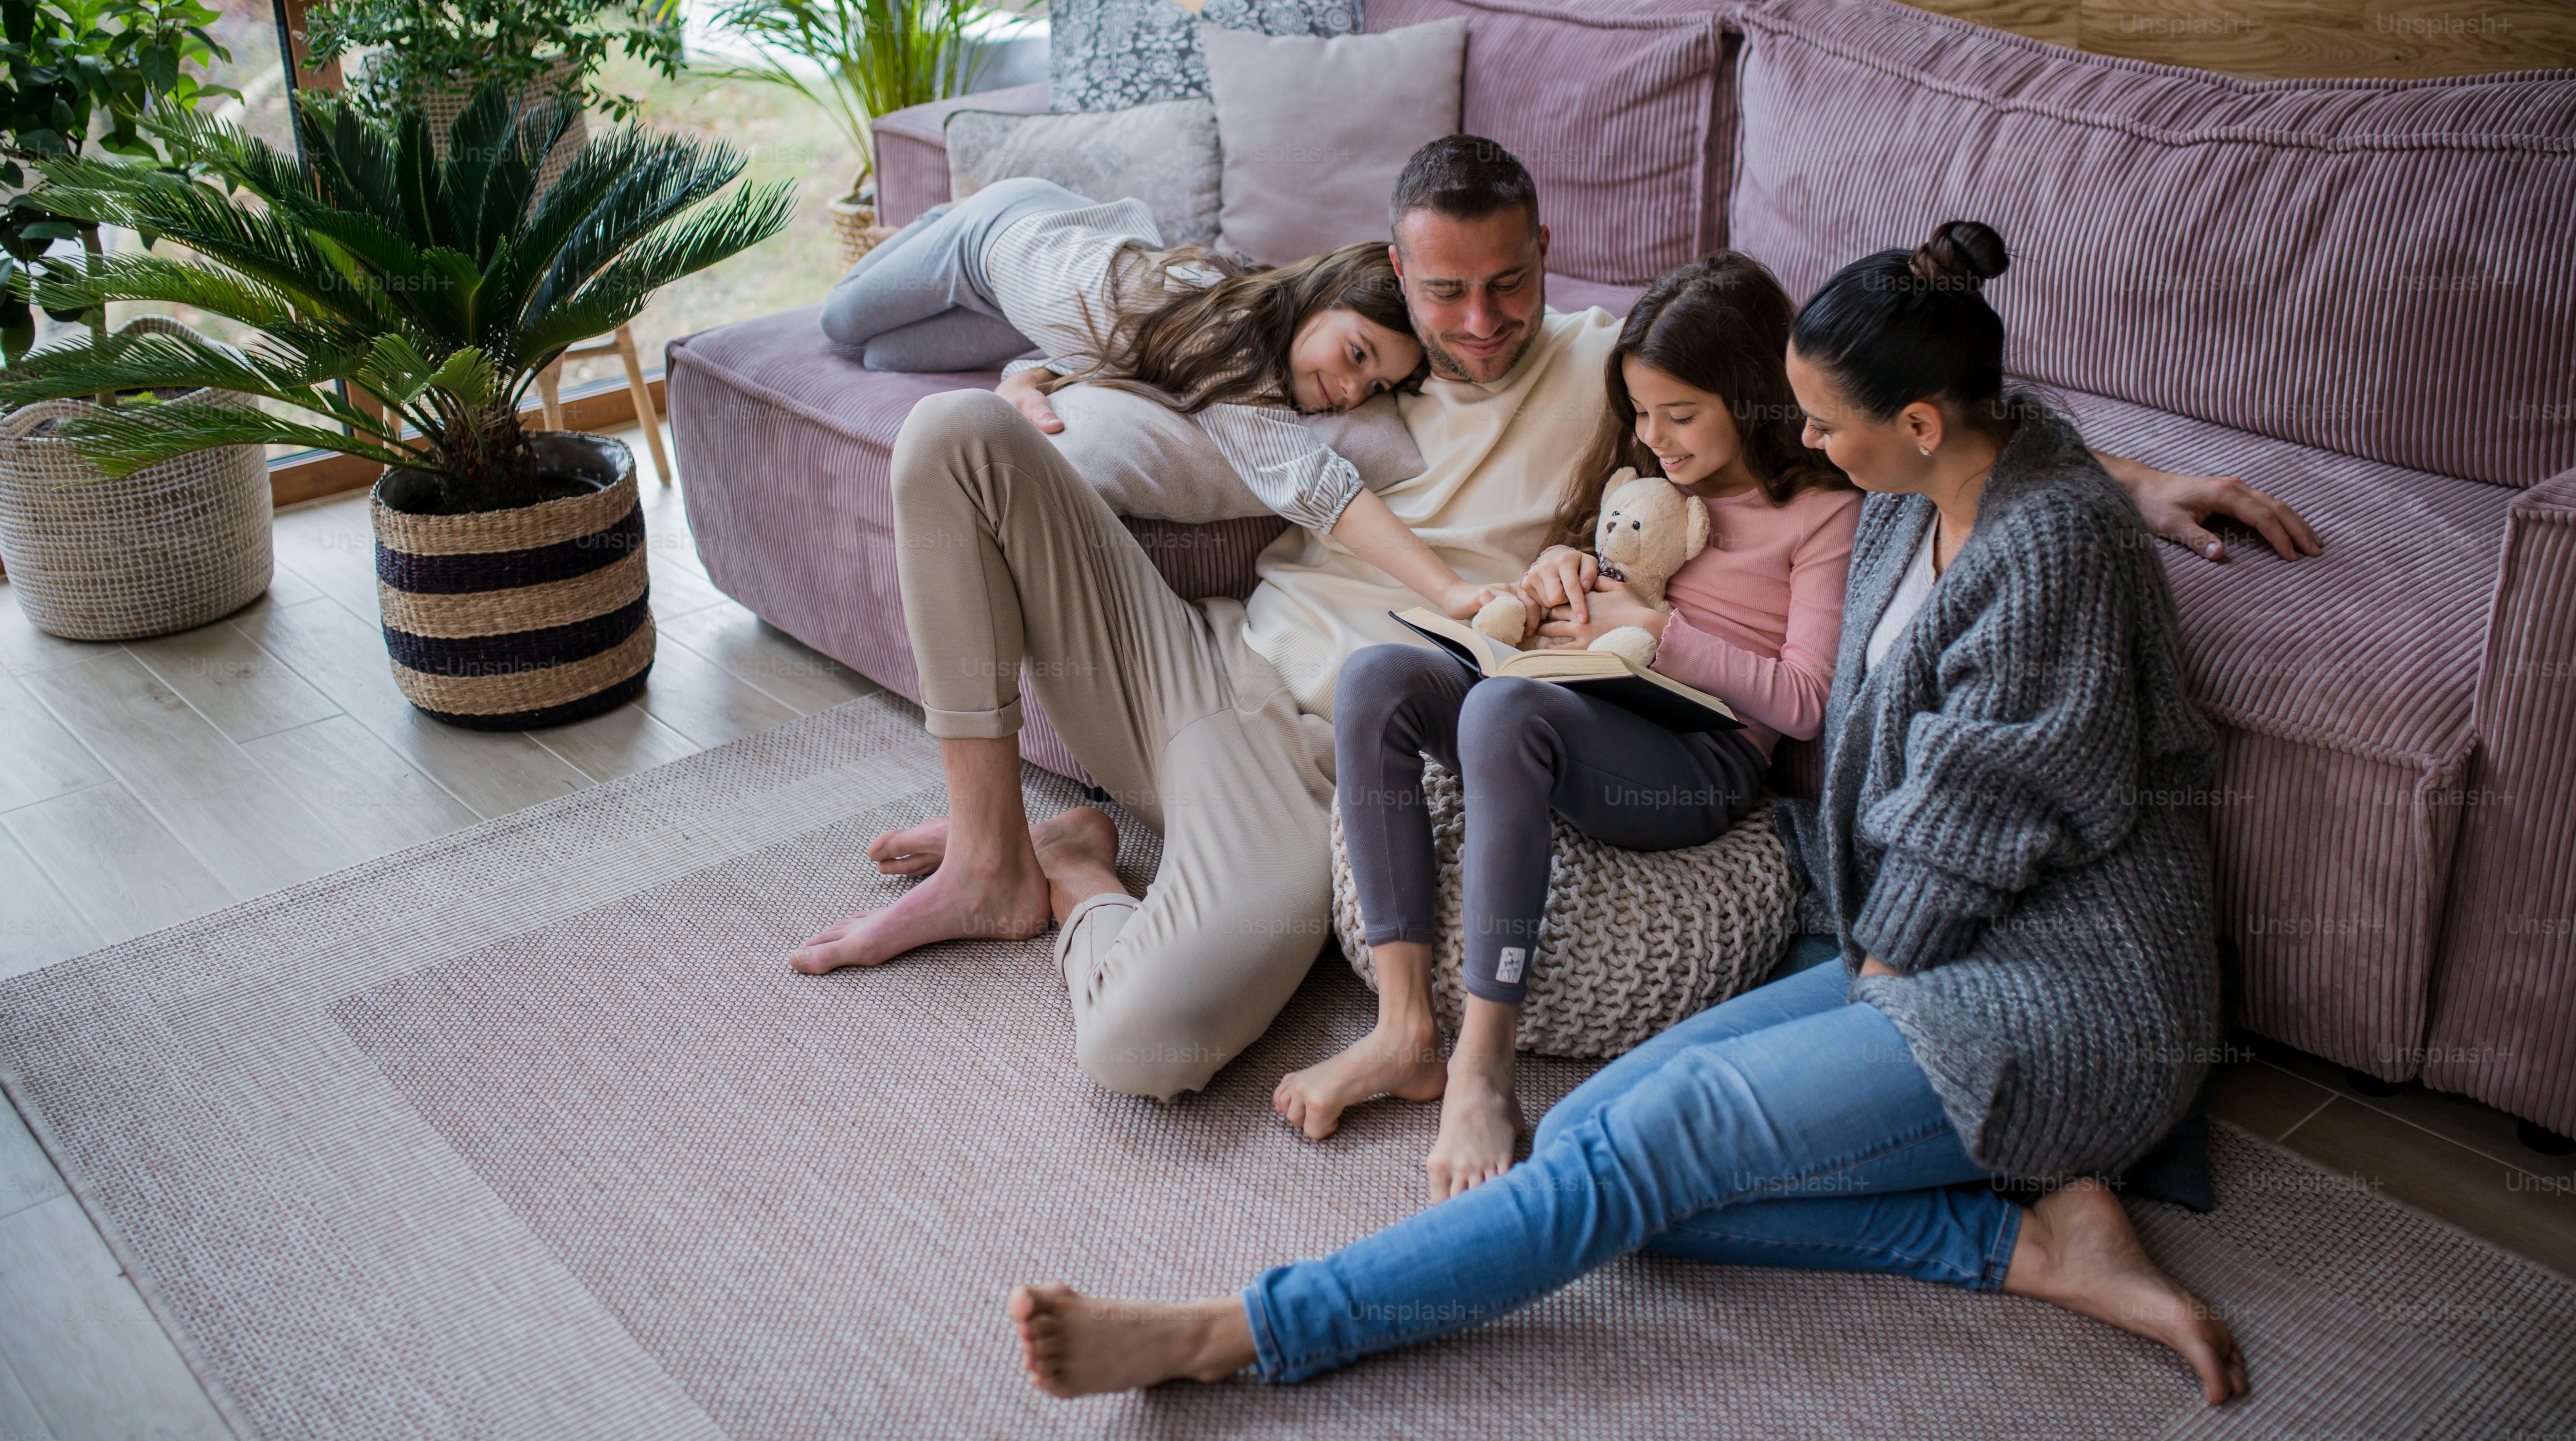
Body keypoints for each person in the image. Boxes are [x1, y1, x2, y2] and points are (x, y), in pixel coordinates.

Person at [790, 137, 2318, 1112]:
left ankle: (1075, 884)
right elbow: (1141, 400)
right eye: (1443, 292)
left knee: (1143, 1054)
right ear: (1396, 269)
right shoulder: (1334, 357)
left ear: (1547, 256)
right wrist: (1033, 388)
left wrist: (2127, 473)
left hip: (1320, 767)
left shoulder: (1605, 363)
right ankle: (993, 850)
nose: (1474, 325)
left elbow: (1858, 409)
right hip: (1194, 673)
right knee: (949, 443)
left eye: (1505, 286)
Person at [1001, 221, 2251, 1410]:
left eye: (1820, 422)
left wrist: (1866, 980)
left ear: (1916, 427)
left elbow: (1981, 817)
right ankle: (2027, 1241)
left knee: (1644, 1152)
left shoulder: (2042, 557)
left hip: (2055, 999)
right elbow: (2028, 432)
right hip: (1917, 943)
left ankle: (1243, 1332)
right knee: (1590, 1141)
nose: (1801, 439)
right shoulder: (1941, 472)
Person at [1274, 253, 1863, 1201]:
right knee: (1378, 676)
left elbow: (1803, 700)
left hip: (1699, 757)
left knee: (1507, 711)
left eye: (1681, 415)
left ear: (1751, 395)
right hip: (1584, 702)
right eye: (1641, 413)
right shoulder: (1648, 483)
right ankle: (1404, 1028)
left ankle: (1485, 1063)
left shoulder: (1819, 514)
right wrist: (1560, 575)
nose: (1655, 439)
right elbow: (1603, 569)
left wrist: (1660, 634)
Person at [820, 177, 1502, 621]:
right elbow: (1317, 486)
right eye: (1357, 355)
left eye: (1376, 388)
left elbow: (1126, 351)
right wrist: (1449, 591)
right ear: (1317, 297)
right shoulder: (1231, 338)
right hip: (998, 232)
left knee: (889, 356)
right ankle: (947, 208)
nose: (1354, 393)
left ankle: (987, 290)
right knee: (843, 326)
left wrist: (1029, 374)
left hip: (1029, 300)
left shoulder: (1217, 355)